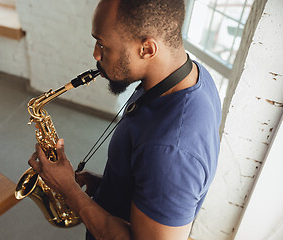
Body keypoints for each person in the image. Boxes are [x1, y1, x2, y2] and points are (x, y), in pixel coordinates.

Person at [28, 0, 222, 239]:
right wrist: (107, 184)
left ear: (148, 49)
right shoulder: (190, 74)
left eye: (102, 44)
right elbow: (151, 177)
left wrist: (68, 189)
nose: (95, 54)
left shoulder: (171, 153)